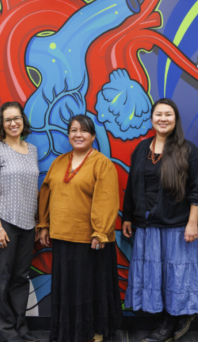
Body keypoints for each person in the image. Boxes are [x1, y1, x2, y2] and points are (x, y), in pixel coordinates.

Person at [122, 98, 198, 342]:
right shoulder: (141, 149)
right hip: (146, 226)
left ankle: (169, 323)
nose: (163, 118)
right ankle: (166, 320)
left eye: (168, 114)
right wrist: (128, 216)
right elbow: (132, 186)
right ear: (151, 119)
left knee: (175, 277)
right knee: (155, 276)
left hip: (177, 227)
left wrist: (192, 224)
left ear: (175, 119)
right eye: (158, 114)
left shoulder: (188, 150)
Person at [38, 115, 122, 342]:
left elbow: (106, 199)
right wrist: (43, 224)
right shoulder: (59, 162)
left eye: (84, 130)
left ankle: (94, 330)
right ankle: (69, 331)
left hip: (92, 240)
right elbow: (46, 192)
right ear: (68, 135)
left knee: (89, 288)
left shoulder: (102, 163)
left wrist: (100, 231)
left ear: (93, 136)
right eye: (74, 130)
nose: (78, 134)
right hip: (62, 237)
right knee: (68, 289)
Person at [0, 102, 39, 342]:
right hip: (3, 222)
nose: (13, 123)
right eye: (8, 120)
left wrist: (36, 222)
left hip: (27, 224)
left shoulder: (33, 149)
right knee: (1, 279)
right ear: (1, 124)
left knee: (20, 278)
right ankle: (4, 332)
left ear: (23, 121)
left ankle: (20, 327)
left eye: (17, 118)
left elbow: (32, 188)